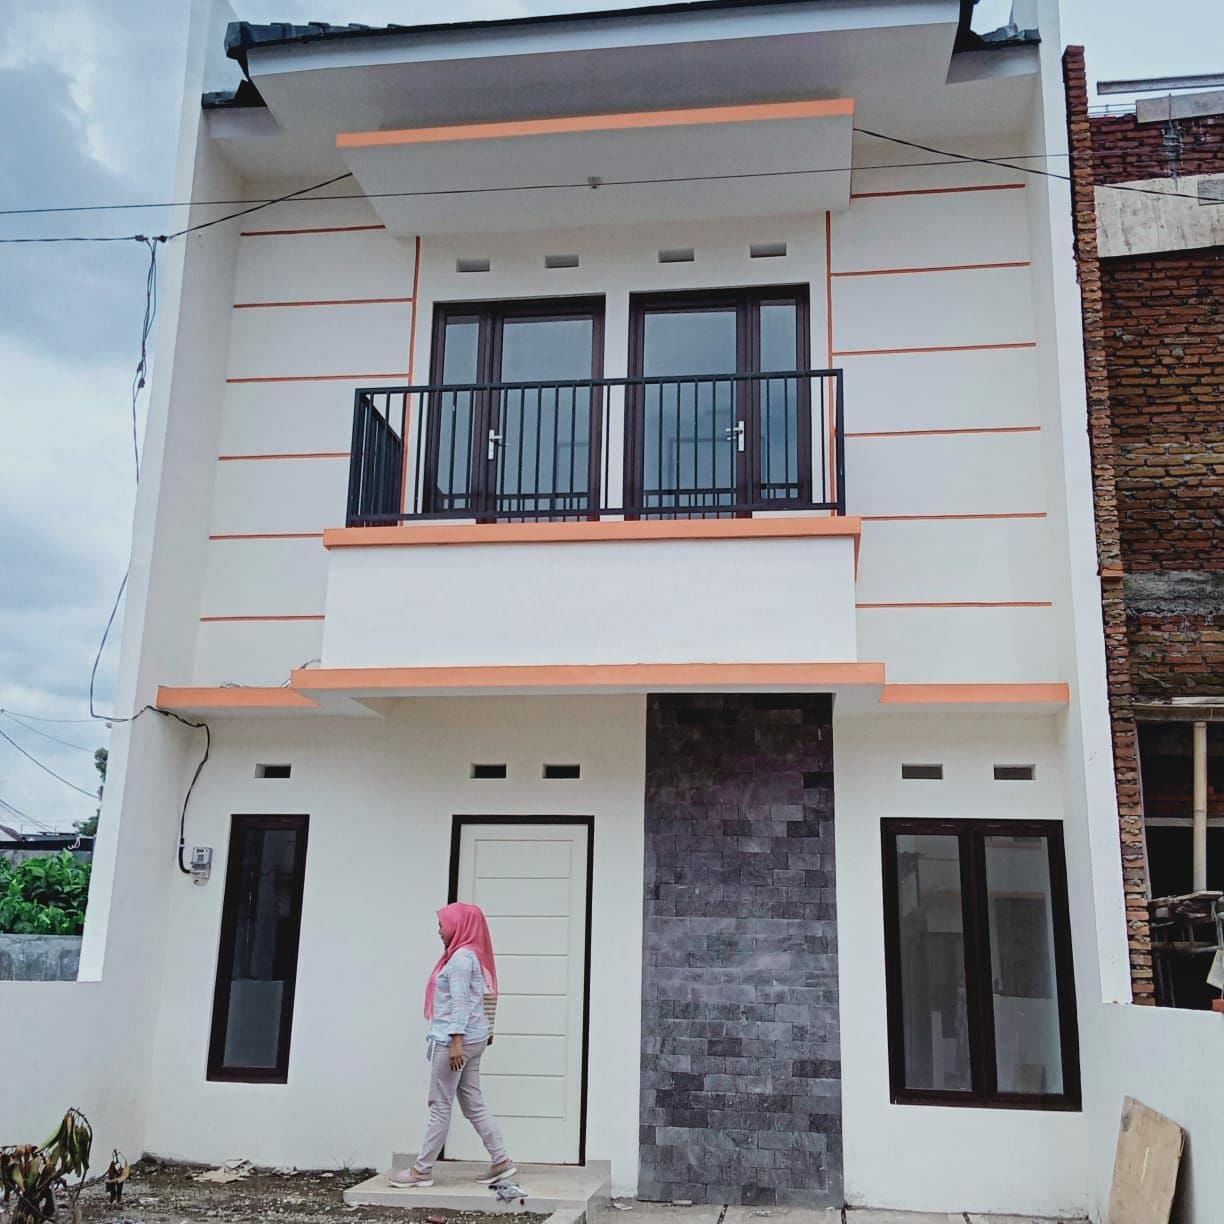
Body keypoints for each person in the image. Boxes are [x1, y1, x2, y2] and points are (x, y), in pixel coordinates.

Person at [387, 902, 516, 1189]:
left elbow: (460, 1002)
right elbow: (479, 998)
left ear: (459, 925)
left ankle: (421, 1170)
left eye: (442, 925)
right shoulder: (471, 955)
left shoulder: (459, 960)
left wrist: (456, 1040)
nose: (439, 931)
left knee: (440, 1104)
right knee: (473, 1103)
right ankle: (501, 1160)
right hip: (474, 1039)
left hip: (455, 1042)